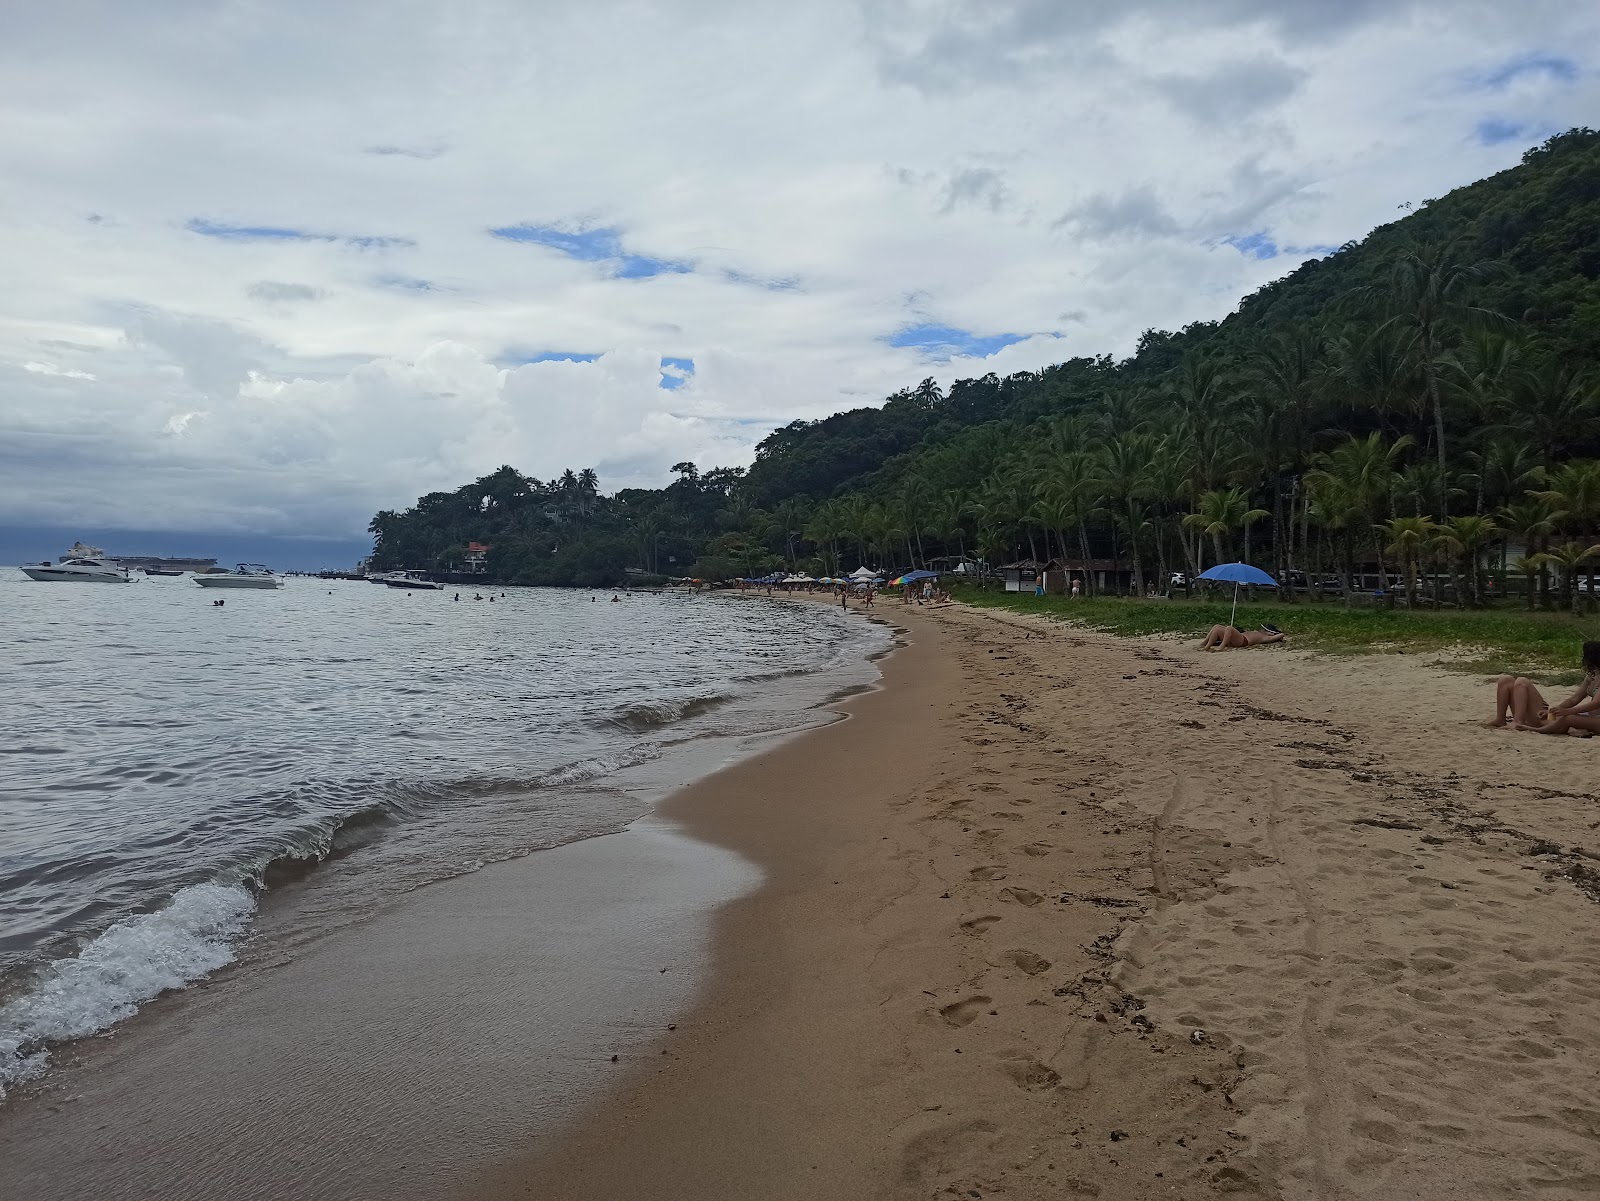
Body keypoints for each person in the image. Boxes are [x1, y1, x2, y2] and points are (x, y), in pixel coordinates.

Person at [1489, 641, 1600, 731]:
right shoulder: (1591, 677)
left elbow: (1595, 704)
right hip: (1582, 715)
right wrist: (1555, 710)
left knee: (1522, 681)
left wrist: (1568, 711)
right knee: (1506, 680)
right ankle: (1500, 719)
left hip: (1593, 718)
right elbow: (1573, 699)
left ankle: (1518, 721)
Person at [1198, 622, 1286, 651]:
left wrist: (1276, 634)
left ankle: (1222, 646)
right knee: (1216, 627)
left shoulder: (1266, 637)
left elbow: (1281, 634)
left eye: (1264, 630)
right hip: (1239, 638)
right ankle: (1205, 645)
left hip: (1243, 641)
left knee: (1229, 628)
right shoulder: (1259, 633)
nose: (1262, 630)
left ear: (1270, 633)